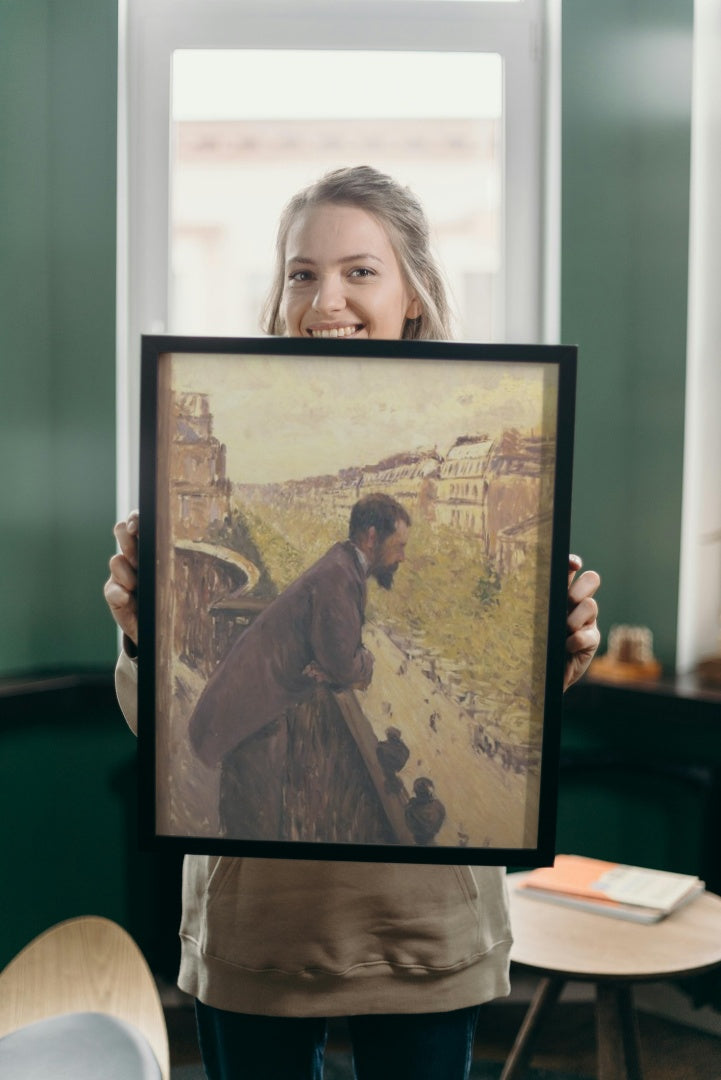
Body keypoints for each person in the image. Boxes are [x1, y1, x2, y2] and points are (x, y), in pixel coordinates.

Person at [105, 165, 601, 1080]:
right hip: (260, 923)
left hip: (420, 926)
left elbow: (527, 725)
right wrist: (139, 634)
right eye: (301, 272)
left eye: (359, 271)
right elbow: (165, 727)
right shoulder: (210, 461)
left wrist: (555, 657)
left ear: (413, 292)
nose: (324, 297)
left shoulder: (488, 416)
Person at [188, 492, 410, 841]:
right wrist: (363, 663)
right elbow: (344, 664)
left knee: (247, 822)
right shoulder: (339, 577)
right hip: (254, 717)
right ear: (371, 537)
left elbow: (333, 658)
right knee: (254, 829)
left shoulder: (341, 565)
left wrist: (334, 664)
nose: (402, 557)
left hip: (253, 708)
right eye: (398, 546)